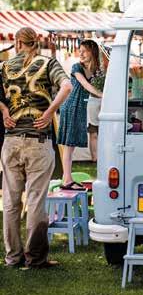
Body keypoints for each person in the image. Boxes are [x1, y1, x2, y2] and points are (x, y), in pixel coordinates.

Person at [0, 27, 72, 268]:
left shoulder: (6, 67)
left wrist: (4, 111)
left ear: (18, 43)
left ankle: (12, 257)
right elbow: (67, 86)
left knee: (10, 203)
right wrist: (50, 111)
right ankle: (35, 258)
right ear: (35, 42)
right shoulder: (48, 63)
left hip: (11, 142)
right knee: (36, 201)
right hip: (38, 141)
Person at [58, 39, 102, 189]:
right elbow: (85, 85)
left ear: (92, 52)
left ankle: (67, 178)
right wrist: (103, 95)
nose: (81, 53)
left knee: (72, 144)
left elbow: (93, 90)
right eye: (80, 50)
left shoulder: (95, 71)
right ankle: (67, 181)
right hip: (71, 106)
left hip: (80, 107)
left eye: (84, 50)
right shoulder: (77, 67)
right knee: (69, 145)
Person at [86, 48, 109, 162]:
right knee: (94, 131)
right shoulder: (91, 67)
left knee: (101, 131)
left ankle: (101, 156)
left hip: (104, 101)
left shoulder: (110, 69)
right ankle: (95, 158)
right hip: (95, 100)